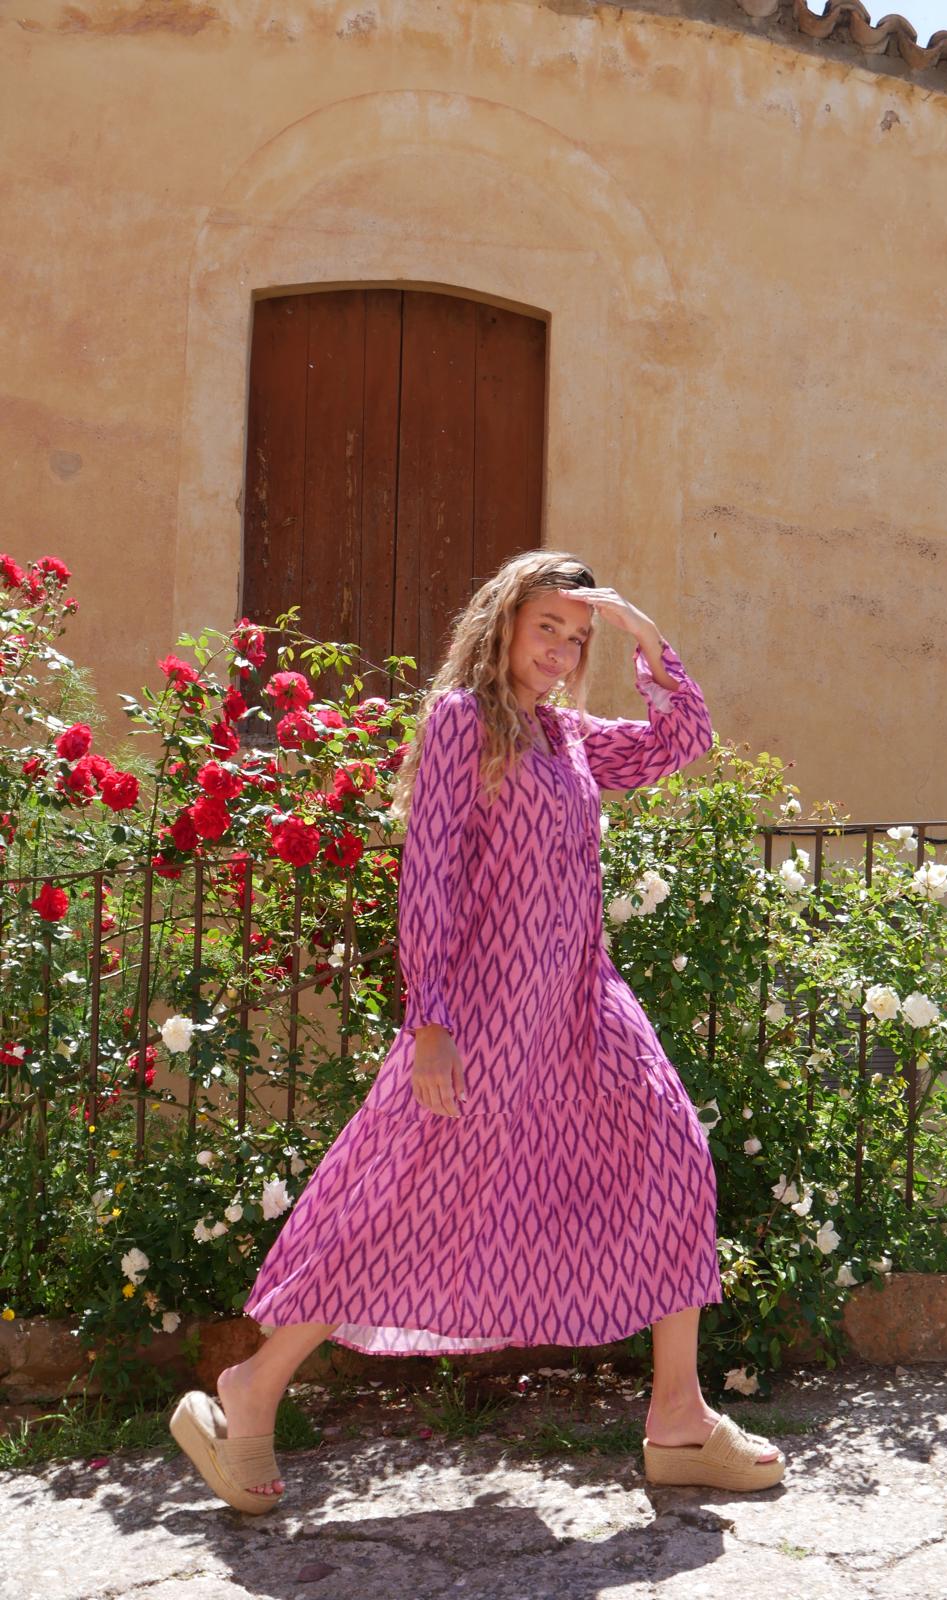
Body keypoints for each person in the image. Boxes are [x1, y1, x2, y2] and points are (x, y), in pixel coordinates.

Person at [169, 550, 785, 1512]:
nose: (562, 651)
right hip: (484, 1010)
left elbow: (680, 744)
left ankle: (678, 1415)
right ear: (500, 624)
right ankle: (250, 1390)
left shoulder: (569, 738)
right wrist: (433, 1023)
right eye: (548, 628)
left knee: (672, 1148)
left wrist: (646, 641)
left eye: (576, 640)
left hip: (582, 999)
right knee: (406, 1195)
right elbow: (432, 877)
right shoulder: (464, 723)